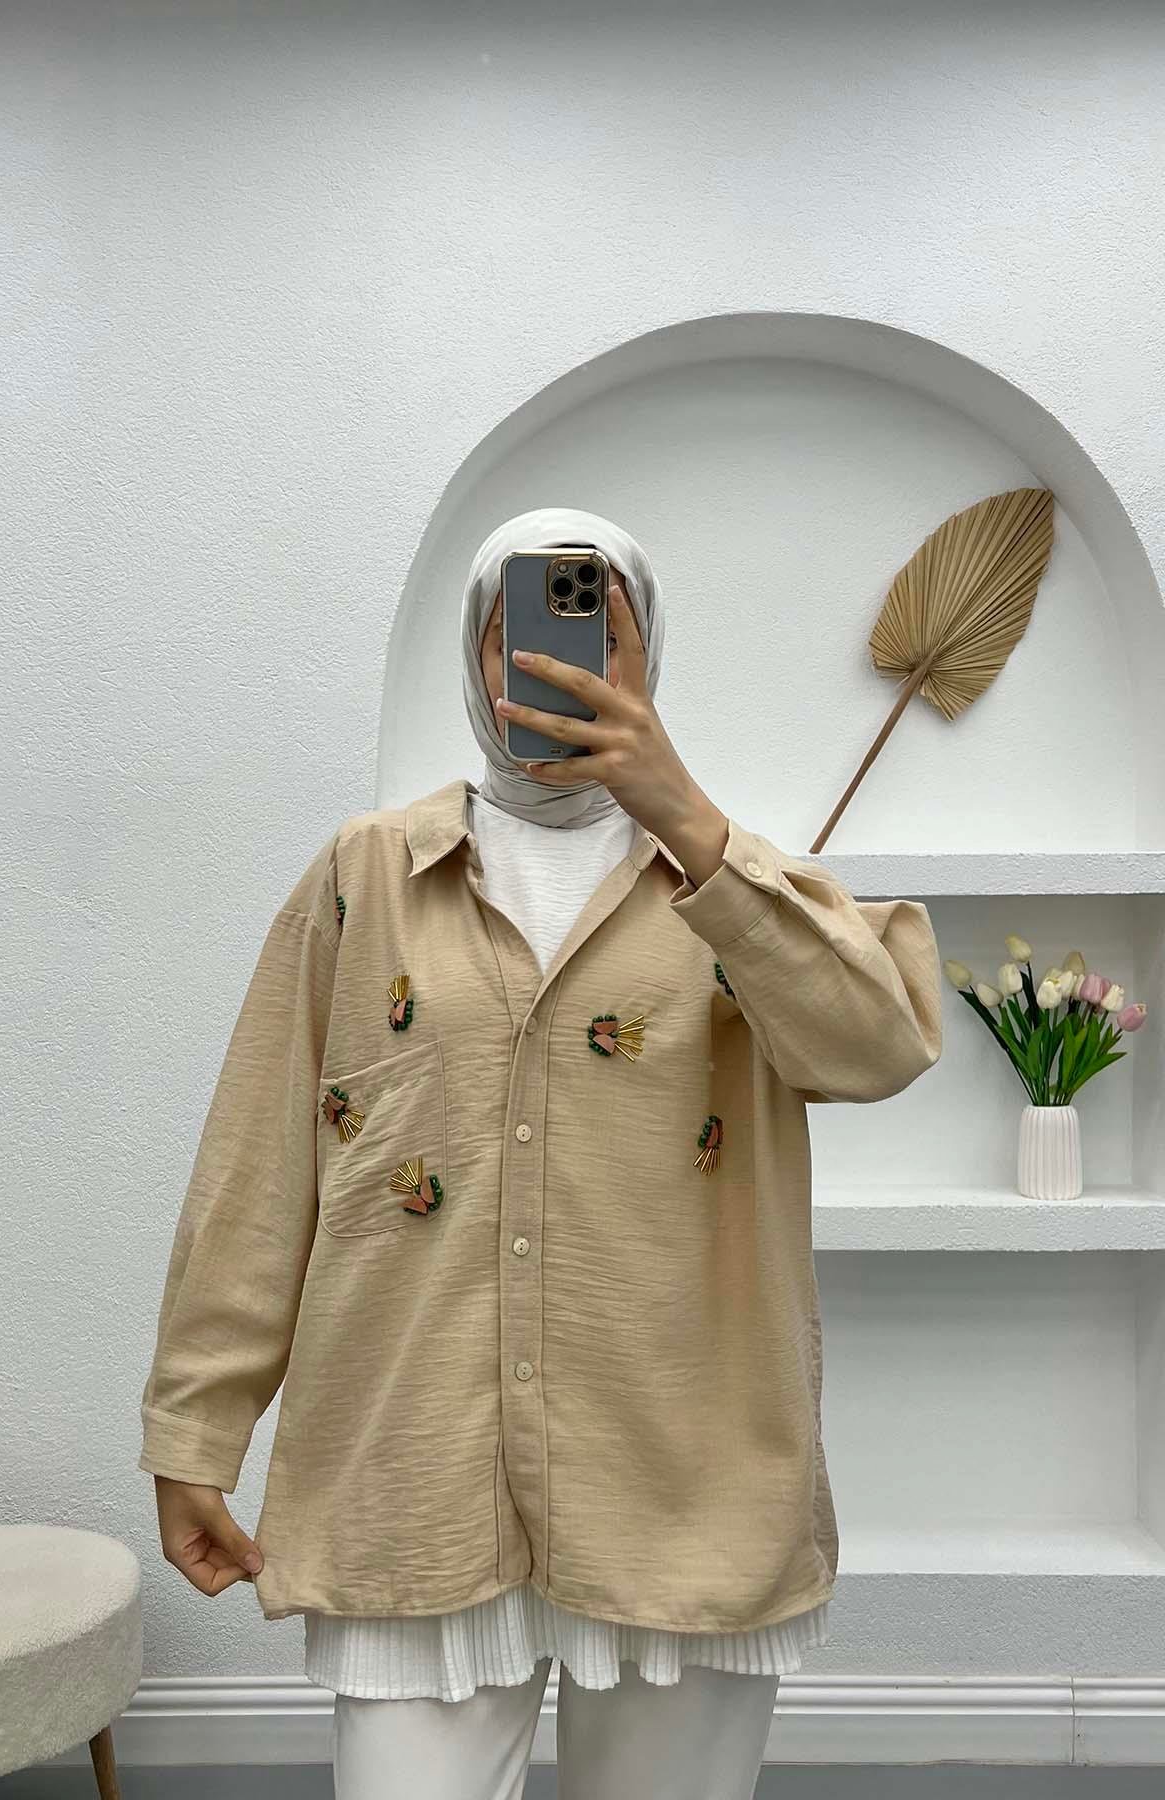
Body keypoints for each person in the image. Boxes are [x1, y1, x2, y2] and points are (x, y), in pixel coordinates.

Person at [141, 506, 943, 1799]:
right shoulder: (365, 878)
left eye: (594, 626)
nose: (551, 657)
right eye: (515, 626)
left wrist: (684, 814)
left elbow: (879, 1048)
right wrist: (196, 1429)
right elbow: (257, 1173)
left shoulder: (742, 891)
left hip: (683, 1489)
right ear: (475, 649)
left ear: (646, 651)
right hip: (413, 1482)